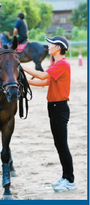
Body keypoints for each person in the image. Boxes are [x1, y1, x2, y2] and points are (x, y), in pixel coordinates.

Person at [22, 36, 76, 192]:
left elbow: (42, 76)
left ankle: (70, 180)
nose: (48, 46)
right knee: (59, 145)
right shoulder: (56, 64)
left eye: (51, 44)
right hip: (53, 106)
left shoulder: (62, 64)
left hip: (59, 107)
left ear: (58, 48)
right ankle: (66, 177)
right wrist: (25, 80)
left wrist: (20, 65)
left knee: (62, 146)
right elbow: (45, 82)